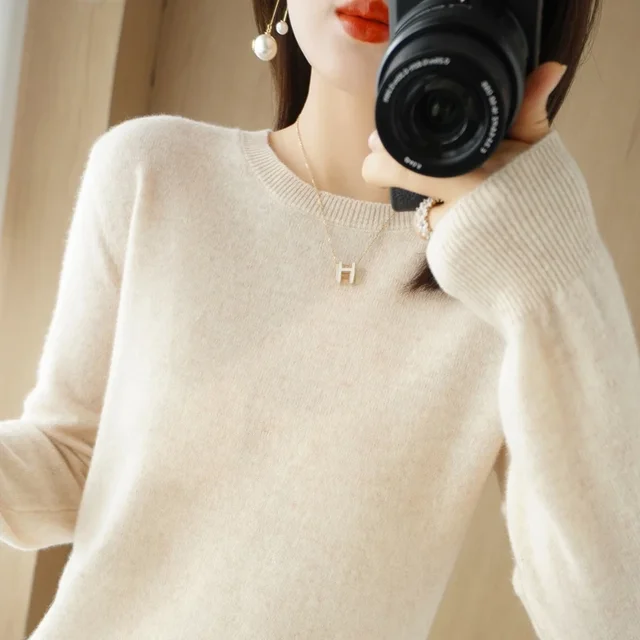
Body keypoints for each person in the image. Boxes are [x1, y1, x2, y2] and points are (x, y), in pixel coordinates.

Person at [1, 0, 639, 638]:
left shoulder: (516, 279)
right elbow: (73, 460)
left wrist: (548, 273)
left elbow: (608, 614)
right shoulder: (152, 170)